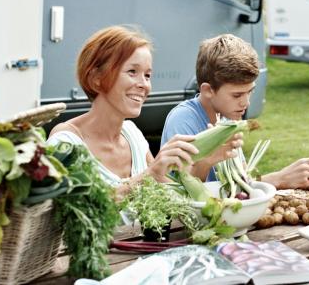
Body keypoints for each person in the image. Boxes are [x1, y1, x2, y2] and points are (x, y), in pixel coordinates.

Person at [47, 26, 226, 198]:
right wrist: (149, 175)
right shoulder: (66, 143)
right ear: (96, 79)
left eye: (147, 75)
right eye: (132, 72)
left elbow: (174, 198)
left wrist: (204, 161)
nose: (144, 85)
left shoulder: (132, 134)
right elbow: (74, 216)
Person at [161, 34, 309, 190]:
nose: (246, 102)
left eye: (250, 91)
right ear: (208, 90)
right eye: (237, 95)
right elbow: (186, 193)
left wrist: (295, 177)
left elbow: (239, 186)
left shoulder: (227, 119)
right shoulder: (183, 120)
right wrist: (279, 179)